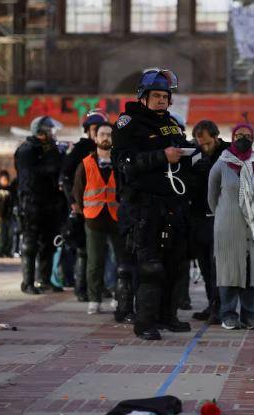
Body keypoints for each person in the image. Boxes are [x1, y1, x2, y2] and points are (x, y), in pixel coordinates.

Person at [112, 67, 193, 340]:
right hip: (143, 206)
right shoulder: (128, 123)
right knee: (150, 266)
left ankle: (168, 317)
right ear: (143, 97)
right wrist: (161, 156)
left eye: (165, 96)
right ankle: (145, 323)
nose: (161, 100)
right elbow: (124, 164)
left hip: (174, 204)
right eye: (156, 95)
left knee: (176, 264)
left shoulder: (171, 122)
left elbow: (178, 153)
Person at [208, 123, 254, 330]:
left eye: (247, 135)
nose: (243, 138)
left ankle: (248, 315)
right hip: (228, 225)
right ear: (232, 137)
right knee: (229, 269)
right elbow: (212, 197)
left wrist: (251, 212)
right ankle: (228, 314)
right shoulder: (221, 164)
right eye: (238, 135)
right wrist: (226, 213)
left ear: (253, 138)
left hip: (253, 227)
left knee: (250, 271)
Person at [72, 122, 123, 314]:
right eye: (102, 134)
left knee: (120, 261)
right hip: (93, 219)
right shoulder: (85, 164)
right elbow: (77, 191)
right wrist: (84, 210)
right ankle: (94, 299)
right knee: (95, 262)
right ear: (95, 138)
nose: (105, 138)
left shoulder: (120, 162)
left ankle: (120, 297)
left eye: (109, 135)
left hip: (116, 218)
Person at [60, 108, 110, 302]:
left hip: (105, 210)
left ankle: (99, 287)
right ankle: (81, 288)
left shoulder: (109, 150)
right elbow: (65, 177)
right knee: (83, 250)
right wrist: (73, 202)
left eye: (103, 130)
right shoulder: (81, 149)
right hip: (83, 208)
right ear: (88, 130)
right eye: (95, 129)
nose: (99, 133)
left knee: (101, 251)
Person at [14, 116, 65, 295]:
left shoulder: (51, 148)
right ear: (40, 131)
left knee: (49, 244)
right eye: (49, 130)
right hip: (31, 202)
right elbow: (28, 176)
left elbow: (59, 169)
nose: (52, 134)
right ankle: (27, 282)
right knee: (30, 243)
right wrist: (50, 166)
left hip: (50, 202)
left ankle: (44, 280)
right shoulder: (26, 150)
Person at [189, 120, 230, 324]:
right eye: (200, 144)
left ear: (216, 137)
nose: (204, 148)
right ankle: (211, 302)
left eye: (207, 144)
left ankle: (221, 306)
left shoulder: (228, 153)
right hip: (199, 217)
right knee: (205, 265)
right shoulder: (196, 154)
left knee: (218, 267)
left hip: (220, 218)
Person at [0, 170, 15, 257]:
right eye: (3, 179)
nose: (5, 181)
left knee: (9, 234)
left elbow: (14, 201)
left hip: (9, 215)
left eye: (6, 179)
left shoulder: (11, 189)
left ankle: (7, 251)